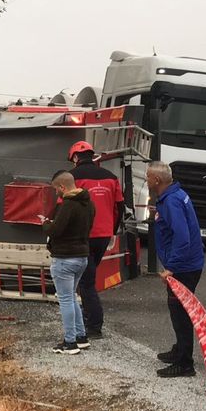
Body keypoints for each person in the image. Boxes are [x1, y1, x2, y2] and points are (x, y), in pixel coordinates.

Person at [146, 161, 204, 378]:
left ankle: (185, 363)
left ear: (157, 180)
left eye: (148, 176)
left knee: (180, 313)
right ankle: (180, 349)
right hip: (190, 263)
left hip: (183, 267)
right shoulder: (175, 196)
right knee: (179, 310)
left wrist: (171, 267)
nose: (146, 179)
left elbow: (182, 237)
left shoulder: (171, 202)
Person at [68, 141, 125, 338]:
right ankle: (88, 319)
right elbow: (120, 207)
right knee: (88, 278)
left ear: (75, 158)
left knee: (86, 282)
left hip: (83, 236)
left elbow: (64, 207)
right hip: (104, 235)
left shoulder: (73, 177)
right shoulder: (111, 177)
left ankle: (93, 325)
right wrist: (112, 231)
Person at [42, 171, 96, 354]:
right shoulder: (89, 204)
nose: (56, 192)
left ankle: (70, 342)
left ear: (62, 187)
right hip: (82, 256)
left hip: (64, 258)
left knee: (65, 299)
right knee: (72, 297)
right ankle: (81, 337)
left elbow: (56, 230)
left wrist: (46, 224)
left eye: (56, 188)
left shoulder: (68, 205)